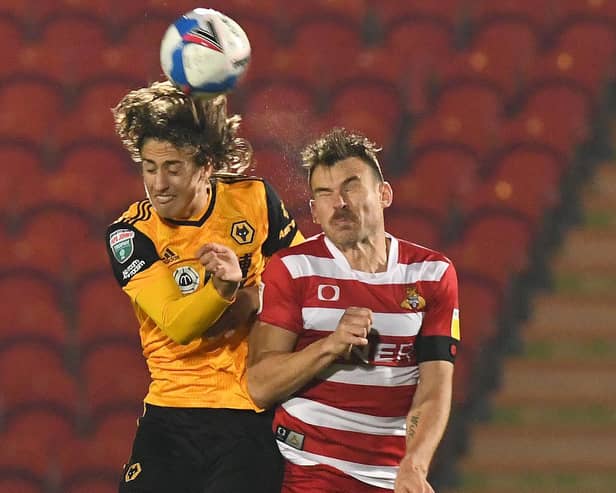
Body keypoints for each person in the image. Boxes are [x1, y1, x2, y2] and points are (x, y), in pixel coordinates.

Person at [105, 80, 303, 493]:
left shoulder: (255, 199)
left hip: (248, 413)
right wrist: (229, 290)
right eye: (148, 167)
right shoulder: (131, 232)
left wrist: (255, 296)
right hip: (171, 414)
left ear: (206, 164)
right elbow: (178, 324)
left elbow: (305, 282)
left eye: (173, 168)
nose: (158, 184)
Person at [247, 128, 460, 493]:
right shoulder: (294, 269)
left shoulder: (432, 273)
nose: (339, 203)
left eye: (351, 186)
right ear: (314, 210)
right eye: (324, 194)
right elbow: (259, 386)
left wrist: (415, 464)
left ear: (384, 193)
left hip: (393, 477)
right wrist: (330, 346)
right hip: (307, 467)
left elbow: (434, 388)